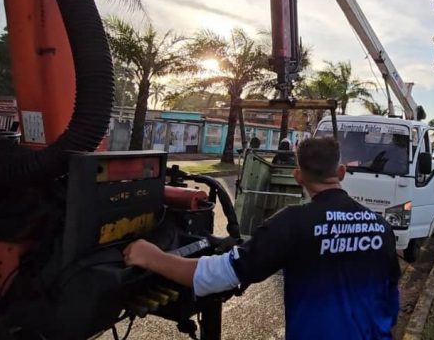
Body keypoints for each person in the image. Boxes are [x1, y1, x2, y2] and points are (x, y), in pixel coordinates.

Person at [124, 138, 401, 339]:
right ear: (340, 173)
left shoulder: (293, 223)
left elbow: (218, 275)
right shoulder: (381, 227)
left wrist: (151, 256)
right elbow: (391, 300)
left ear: (298, 177)